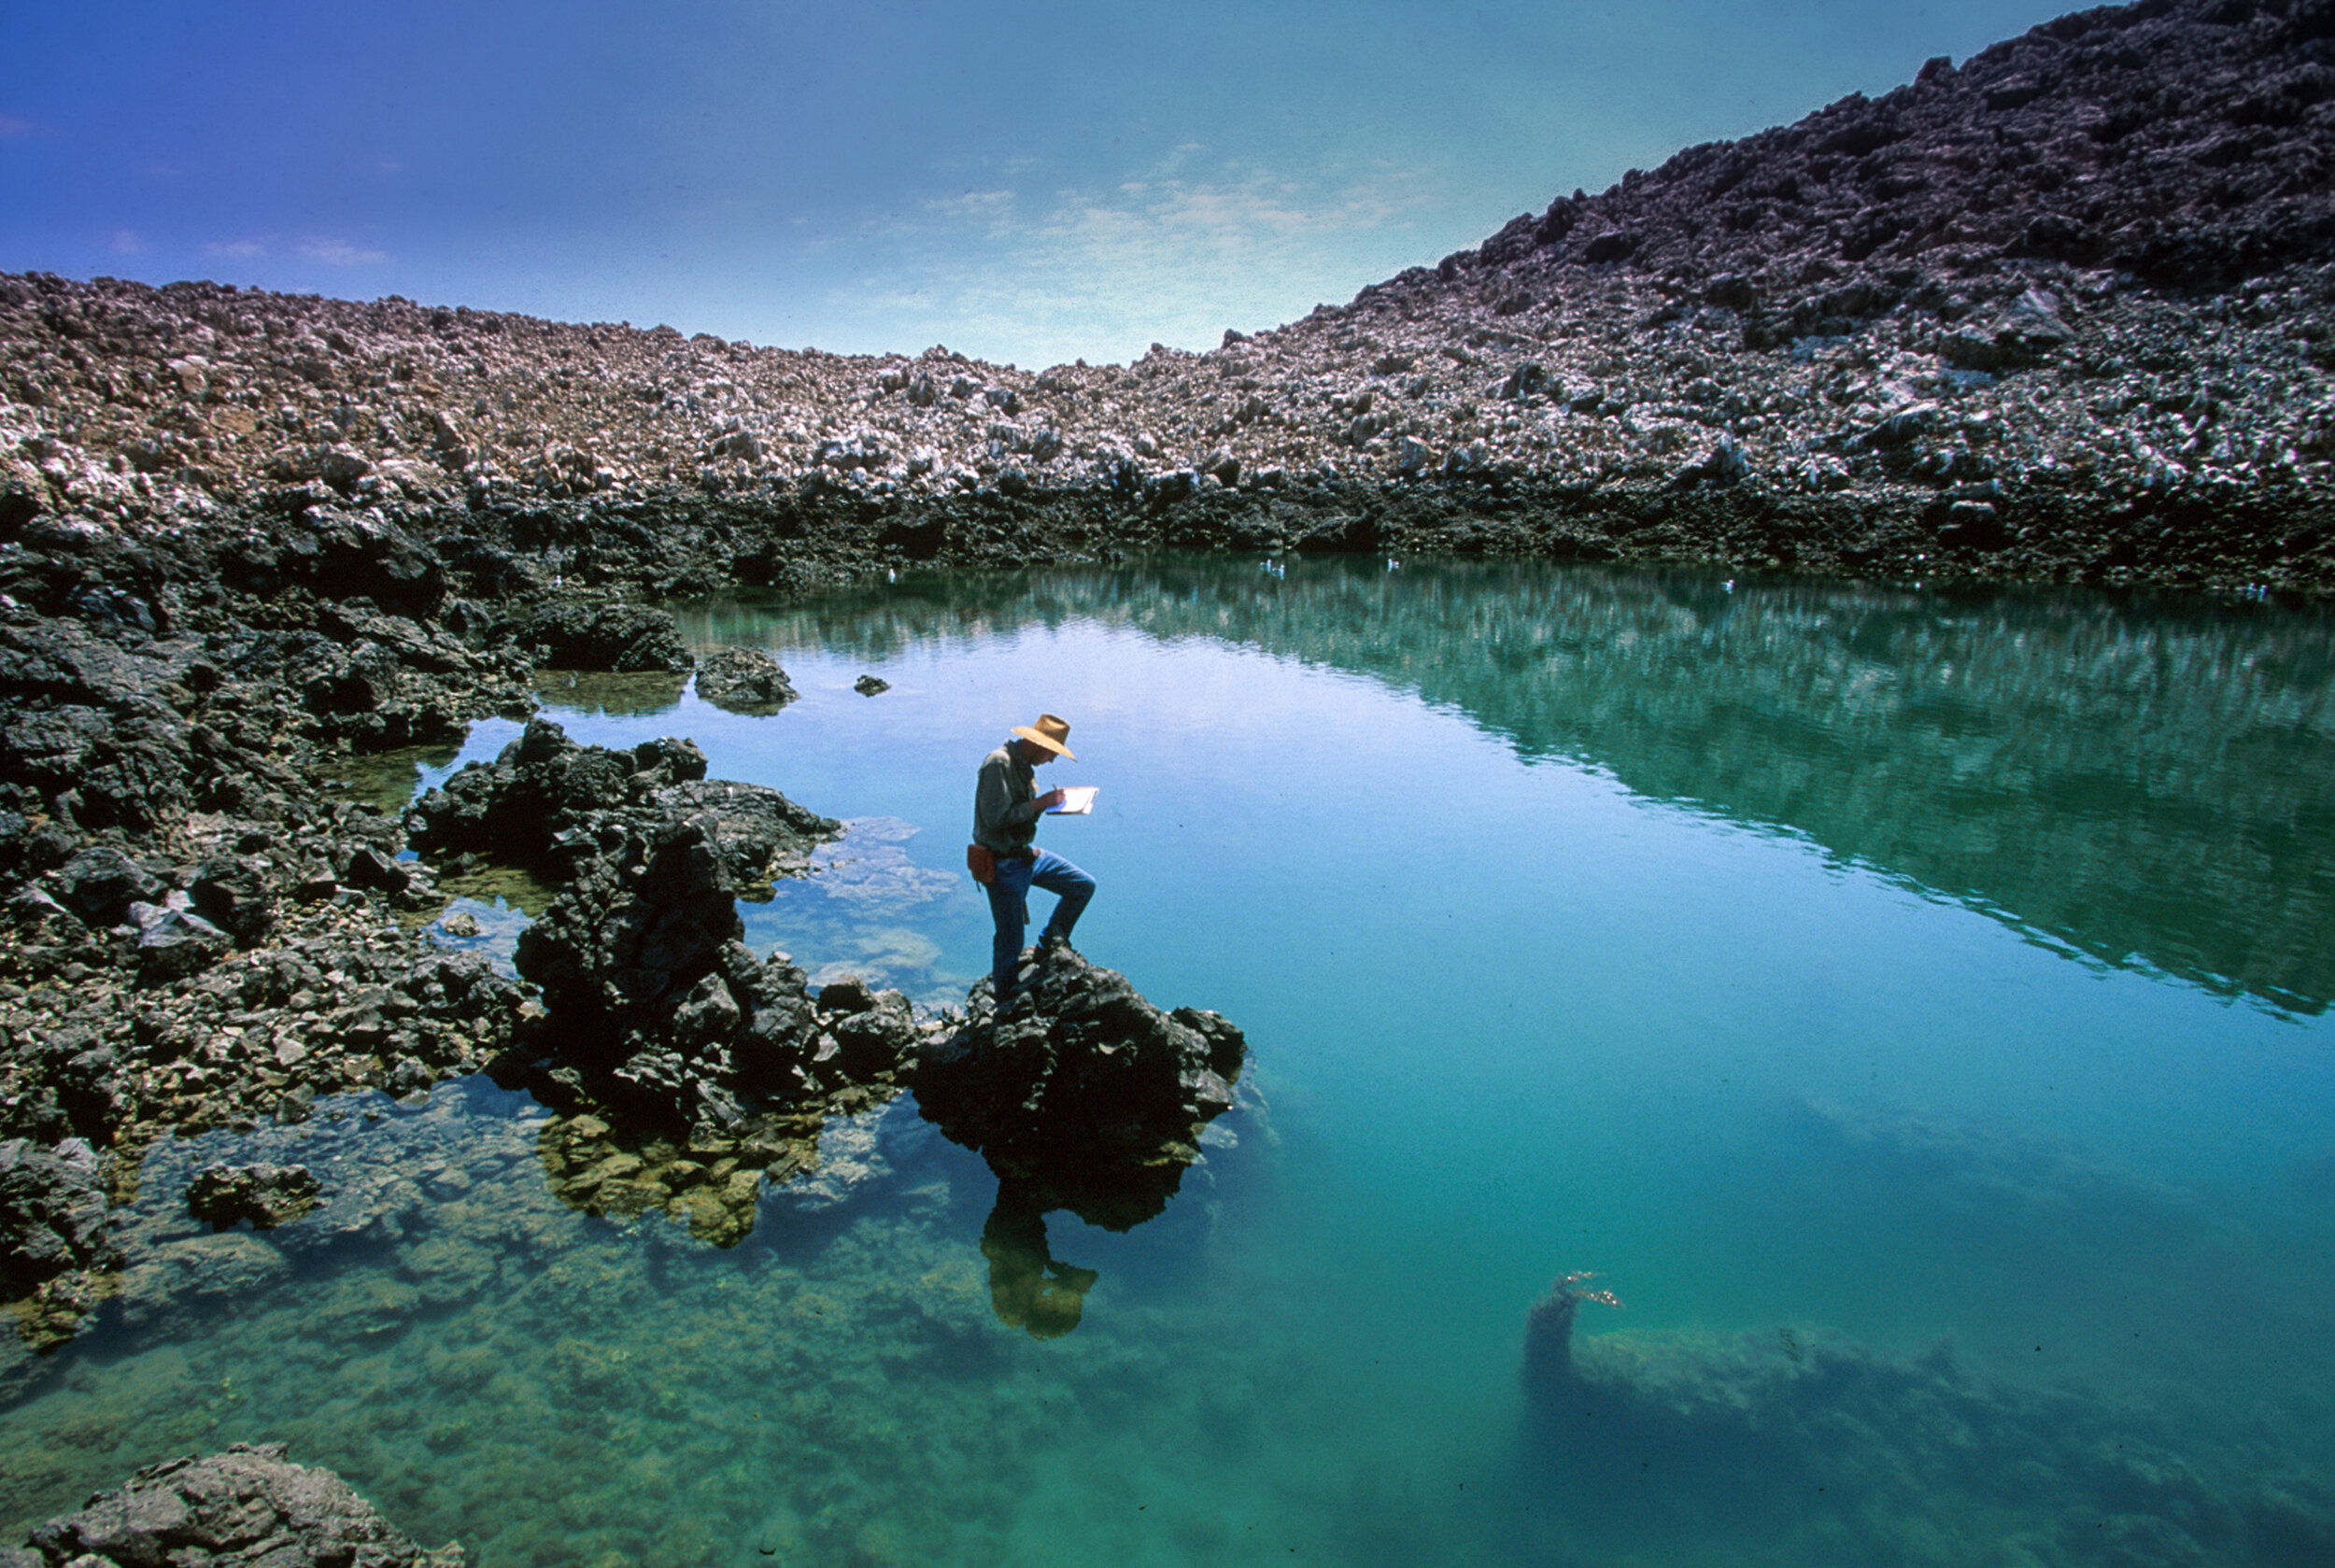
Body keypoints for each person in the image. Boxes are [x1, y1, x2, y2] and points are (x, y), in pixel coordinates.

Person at [972, 713, 1096, 1005]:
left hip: (1026, 855)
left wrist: (1049, 806)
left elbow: (1021, 812)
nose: (1052, 761)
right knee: (1010, 941)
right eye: (1052, 754)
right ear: (1036, 744)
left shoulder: (1024, 765)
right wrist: (1040, 804)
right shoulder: (998, 763)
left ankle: (1047, 947)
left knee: (1083, 886)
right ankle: (1005, 1008)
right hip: (1002, 863)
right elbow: (994, 820)